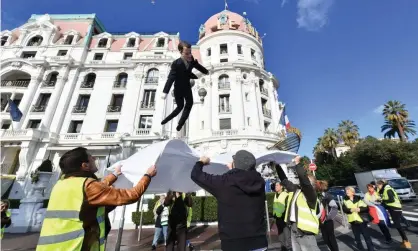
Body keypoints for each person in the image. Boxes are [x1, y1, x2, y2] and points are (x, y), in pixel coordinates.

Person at [36, 147, 157, 251]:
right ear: (85, 165)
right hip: (77, 246)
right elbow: (131, 195)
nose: (94, 159)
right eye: (91, 157)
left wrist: (114, 175)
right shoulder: (88, 185)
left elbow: (97, 189)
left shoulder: (62, 184)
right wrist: (147, 175)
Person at [191, 150, 268, 251]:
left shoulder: (225, 181)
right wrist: (235, 170)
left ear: (235, 164)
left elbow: (196, 174)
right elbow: (243, 178)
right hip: (259, 241)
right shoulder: (260, 182)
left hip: (233, 243)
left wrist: (201, 162)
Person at [274, 156, 320, 251]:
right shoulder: (296, 191)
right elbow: (284, 181)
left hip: (305, 231)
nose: (301, 181)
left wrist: (297, 164)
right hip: (294, 229)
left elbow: (304, 180)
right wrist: (277, 165)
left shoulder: (311, 195)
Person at [161, 41, 209, 131]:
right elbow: (171, 78)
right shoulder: (176, 64)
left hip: (187, 86)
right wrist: (165, 92)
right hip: (178, 88)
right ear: (180, 52)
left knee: (189, 104)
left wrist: (205, 71)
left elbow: (197, 66)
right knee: (180, 107)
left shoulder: (191, 59)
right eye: (187, 53)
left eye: (190, 52)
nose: (189, 55)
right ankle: (166, 120)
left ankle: (180, 123)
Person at [376, 179, 412, 249]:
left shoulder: (388, 189)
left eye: (378, 185)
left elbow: (391, 200)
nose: (378, 187)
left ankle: (406, 240)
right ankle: (404, 240)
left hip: (395, 208)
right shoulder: (386, 189)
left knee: (398, 225)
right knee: (397, 225)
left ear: (381, 184)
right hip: (394, 208)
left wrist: (382, 200)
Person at [342, 186, 374, 251]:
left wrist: (359, 209)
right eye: (346, 191)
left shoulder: (358, 199)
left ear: (352, 192)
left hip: (361, 220)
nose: (347, 192)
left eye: (348, 191)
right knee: (357, 238)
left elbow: (366, 208)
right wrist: (350, 210)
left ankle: (371, 249)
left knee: (366, 236)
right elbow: (344, 209)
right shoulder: (345, 200)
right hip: (353, 221)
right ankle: (361, 249)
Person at [317, 181, 339, 251]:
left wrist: (328, 217)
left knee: (331, 238)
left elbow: (334, 207)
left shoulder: (327, 196)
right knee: (325, 239)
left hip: (328, 221)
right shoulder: (316, 196)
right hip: (320, 221)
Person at [272, 182, 291, 251]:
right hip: (277, 218)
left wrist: (286, 216)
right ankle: (283, 249)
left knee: (287, 235)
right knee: (280, 235)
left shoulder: (285, 194)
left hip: (284, 218)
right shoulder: (275, 194)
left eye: (277, 185)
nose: (275, 187)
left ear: (281, 187)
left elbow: (288, 206)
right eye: (275, 185)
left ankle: (290, 248)